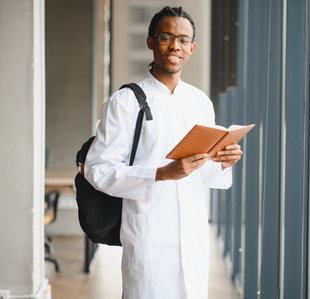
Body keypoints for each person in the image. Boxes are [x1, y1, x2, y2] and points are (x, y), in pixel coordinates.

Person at [84, 6, 243, 299]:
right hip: (148, 233)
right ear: (151, 41)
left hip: (192, 234)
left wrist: (222, 161)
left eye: (183, 40)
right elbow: (98, 169)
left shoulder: (200, 102)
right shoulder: (124, 102)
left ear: (192, 47)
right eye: (166, 37)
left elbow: (204, 172)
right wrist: (160, 174)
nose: (175, 46)